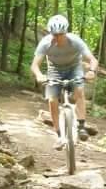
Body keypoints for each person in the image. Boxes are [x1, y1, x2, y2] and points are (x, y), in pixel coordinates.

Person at [31, 14, 98, 149]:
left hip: (74, 68)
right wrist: (39, 75)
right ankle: (59, 135)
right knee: (52, 99)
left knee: (79, 90)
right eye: (54, 35)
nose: (57, 38)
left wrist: (91, 71)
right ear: (50, 33)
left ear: (65, 32)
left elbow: (92, 60)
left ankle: (81, 126)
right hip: (54, 70)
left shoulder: (75, 41)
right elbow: (34, 65)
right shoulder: (45, 43)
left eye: (60, 34)